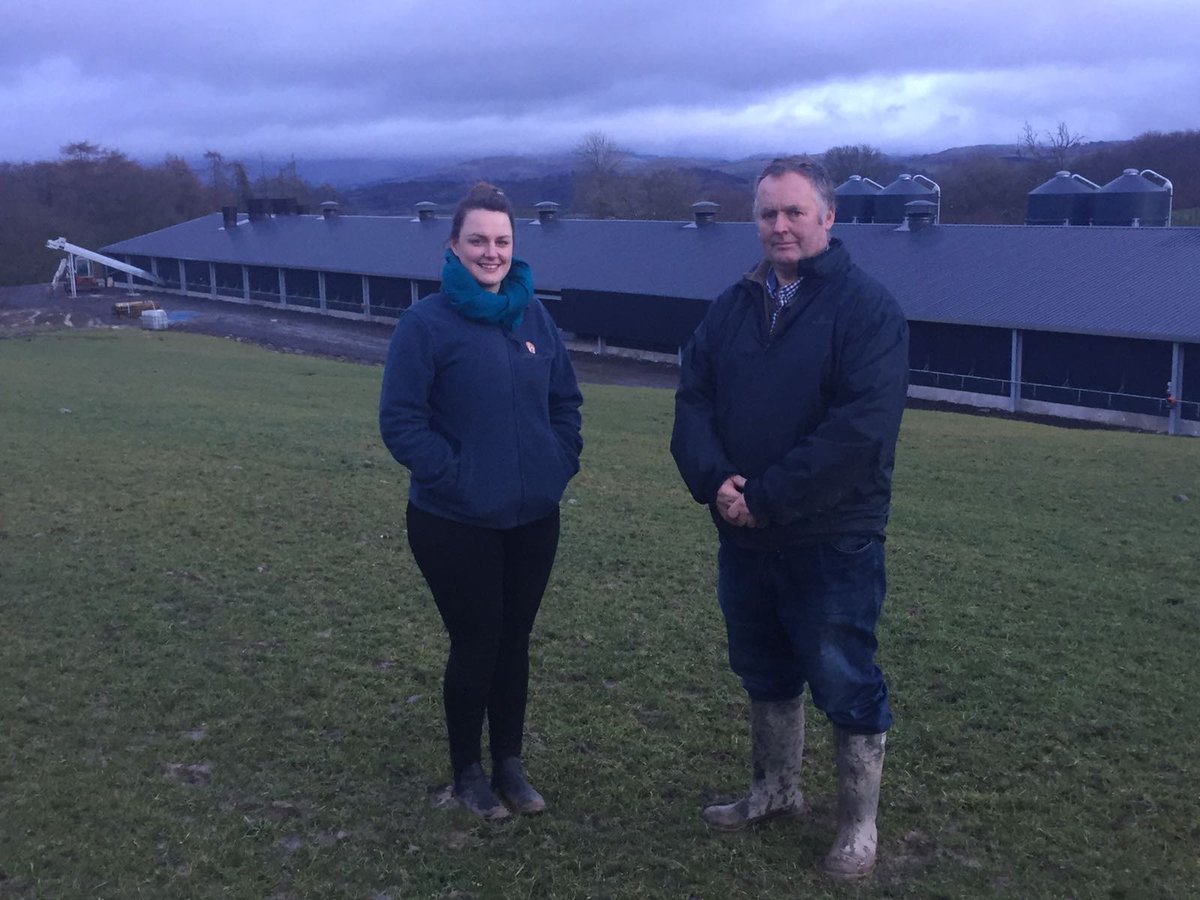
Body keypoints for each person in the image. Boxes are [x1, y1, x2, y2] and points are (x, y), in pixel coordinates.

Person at [670, 157, 909, 878]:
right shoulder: (733, 306)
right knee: (764, 669)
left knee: (843, 675)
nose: (779, 226)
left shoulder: (868, 311)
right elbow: (693, 402)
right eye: (768, 213)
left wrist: (766, 496)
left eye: (794, 212)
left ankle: (857, 825)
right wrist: (716, 481)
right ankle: (773, 791)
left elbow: (859, 431)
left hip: (829, 537)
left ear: (828, 218)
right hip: (744, 535)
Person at [379, 183, 583, 820]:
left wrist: (556, 465)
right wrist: (461, 477)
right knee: (477, 640)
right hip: (454, 520)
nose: (491, 252)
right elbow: (402, 422)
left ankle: (510, 765)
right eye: (478, 241)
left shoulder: (534, 317)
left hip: (531, 518)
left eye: (502, 241)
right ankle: (468, 770)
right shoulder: (425, 324)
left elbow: (565, 404)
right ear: (453, 247)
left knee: (514, 640)